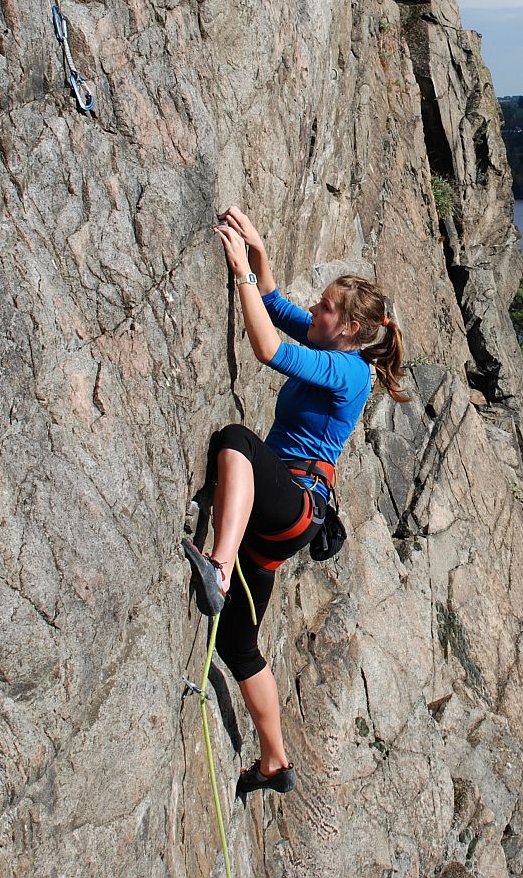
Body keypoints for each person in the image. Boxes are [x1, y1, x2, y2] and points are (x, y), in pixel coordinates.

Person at [180, 205, 410, 800]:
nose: (317, 310)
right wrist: (257, 250)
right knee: (236, 644)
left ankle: (219, 567)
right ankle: (274, 763)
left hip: (295, 503)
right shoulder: (330, 343)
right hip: (278, 519)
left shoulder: (348, 372)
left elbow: (266, 347)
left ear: (352, 331)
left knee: (235, 440)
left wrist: (239, 277)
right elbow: (280, 308)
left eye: (328, 308)